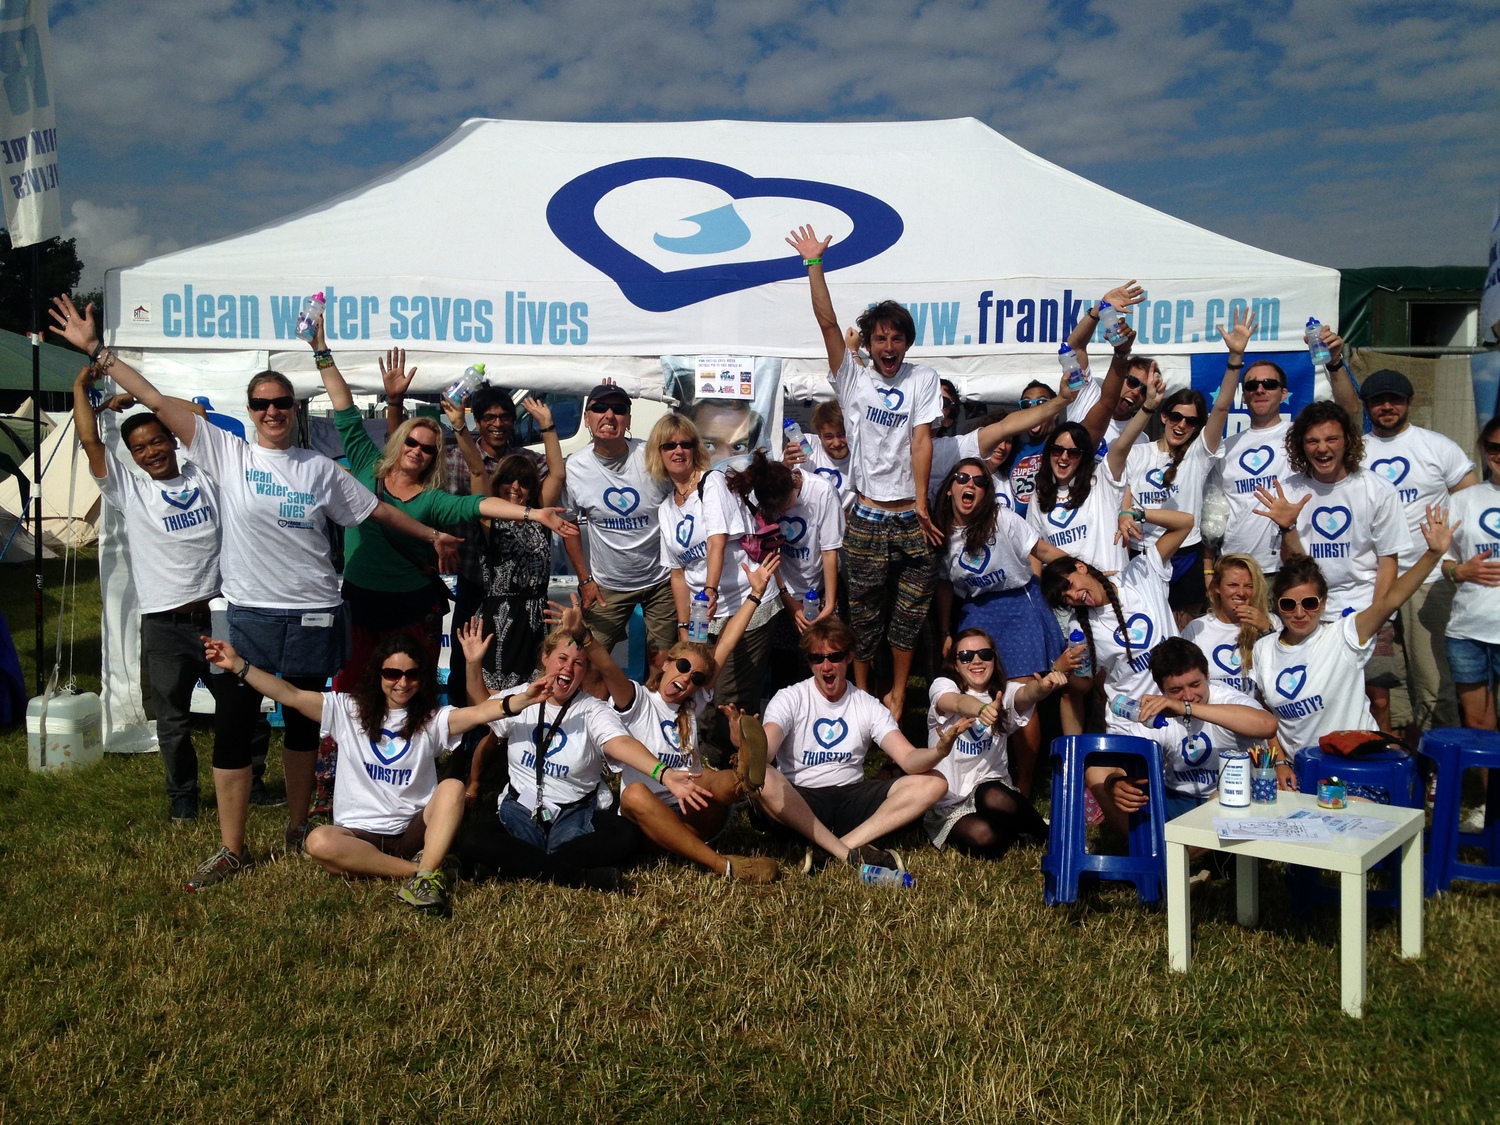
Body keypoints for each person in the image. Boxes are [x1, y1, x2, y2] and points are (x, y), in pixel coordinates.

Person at [49, 294, 462, 890]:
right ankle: (232, 846)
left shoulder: (319, 468)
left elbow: (377, 512)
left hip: (316, 613)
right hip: (248, 615)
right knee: (235, 725)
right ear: (249, 411)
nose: (272, 411)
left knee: (301, 726)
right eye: (262, 403)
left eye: (281, 403)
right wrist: (97, 351)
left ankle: (297, 825)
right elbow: (156, 400)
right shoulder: (226, 452)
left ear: (294, 411)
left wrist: (431, 534)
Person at [313, 328, 576, 686]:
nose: (417, 451)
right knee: (355, 687)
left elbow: (479, 504)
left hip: (414, 604)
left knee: (412, 688)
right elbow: (343, 406)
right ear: (400, 441)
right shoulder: (366, 465)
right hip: (362, 599)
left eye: (428, 449)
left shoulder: (432, 497)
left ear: (436, 456)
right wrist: (321, 350)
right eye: (412, 442)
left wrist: (534, 514)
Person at [202, 633, 510, 912]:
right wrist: (239, 666)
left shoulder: (434, 718)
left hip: (414, 830)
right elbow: (290, 695)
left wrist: (521, 697)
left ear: (423, 677)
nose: (402, 683)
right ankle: (423, 872)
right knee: (319, 841)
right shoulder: (346, 710)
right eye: (392, 673)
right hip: (359, 834)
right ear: (378, 674)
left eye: (412, 674)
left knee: (452, 787)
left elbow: (481, 712)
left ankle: (421, 869)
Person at [540, 557, 784, 882]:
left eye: (697, 678)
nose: (687, 679)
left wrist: (755, 595)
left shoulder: (692, 702)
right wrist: (583, 635)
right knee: (634, 794)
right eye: (683, 667)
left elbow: (726, 643)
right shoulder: (637, 700)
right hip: (649, 822)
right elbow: (608, 668)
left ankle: (746, 777)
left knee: (714, 778)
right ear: (667, 662)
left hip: (695, 812)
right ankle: (724, 865)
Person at [786, 223, 943, 721]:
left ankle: (896, 694)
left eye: (896, 338)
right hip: (868, 515)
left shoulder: (923, 378)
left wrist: (922, 504)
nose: (888, 346)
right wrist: (814, 264)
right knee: (864, 612)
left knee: (909, 613)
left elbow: (921, 440)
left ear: (907, 342)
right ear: (870, 344)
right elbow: (829, 325)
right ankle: (862, 695)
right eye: (880, 338)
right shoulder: (854, 378)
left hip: (911, 516)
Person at [72, 367, 228, 822]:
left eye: (157, 441)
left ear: (173, 441)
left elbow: (199, 415)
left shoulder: (204, 473)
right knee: (173, 720)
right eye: (139, 448)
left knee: (240, 707)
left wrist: (142, 400)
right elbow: (91, 441)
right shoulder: (131, 491)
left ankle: (250, 781)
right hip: (165, 625)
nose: (151, 452)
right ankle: (183, 796)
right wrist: (81, 389)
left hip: (219, 616)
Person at [454, 626, 711, 891]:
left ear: (584, 670)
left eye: (578, 663)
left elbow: (620, 743)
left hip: (575, 813)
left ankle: (514, 865)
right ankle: (580, 877)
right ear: (545, 657)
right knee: (472, 838)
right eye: (562, 659)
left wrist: (664, 773)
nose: (568, 668)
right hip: (522, 809)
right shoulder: (524, 696)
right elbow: (481, 709)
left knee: (625, 834)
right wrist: (473, 664)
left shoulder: (592, 709)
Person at [1329, 366, 1477, 739]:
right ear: (1366, 406)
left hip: (1427, 579)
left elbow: (1471, 502)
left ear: (1409, 401)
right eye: (1378, 401)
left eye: (1394, 399)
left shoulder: (1437, 447)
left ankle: (1441, 760)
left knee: (1432, 678)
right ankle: (1397, 754)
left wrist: (1457, 561)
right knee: (1383, 687)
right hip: (1373, 582)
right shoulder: (1357, 452)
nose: (1387, 407)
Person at [1250, 507, 1453, 769]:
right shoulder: (1263, 648)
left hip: (1353, 764)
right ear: (1277, 605)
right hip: (1299, 770)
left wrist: (1432, 555)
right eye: (1288, 604)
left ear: (1324, 603)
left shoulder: (1344, 635)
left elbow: (1391, 600)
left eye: (1309, 603)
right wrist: (1278, 763)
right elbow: (1265, 713)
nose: (1299, 613)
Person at [1254, 401, 1408, 727]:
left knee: (1378, 699)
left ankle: (1380, 756)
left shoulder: (1376, 489)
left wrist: (1377, 615)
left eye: (1331, 439)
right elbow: (1294, 567)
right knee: (1318, 698)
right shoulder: (1290, 491)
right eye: (1312, 441)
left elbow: (1388, 561)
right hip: (1311, 612)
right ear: (1301, 446)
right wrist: (1288, 527)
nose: (1322, 448)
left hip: (1365, 608)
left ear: (1347, 441)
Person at [931, 456, 1077, 791]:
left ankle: (1024, 783)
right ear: (950, 487)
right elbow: (944, 585)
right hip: (977, 608)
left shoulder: (1003, 519)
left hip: (1018, 603)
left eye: (979, 481)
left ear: (987, 491)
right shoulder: (942, 532)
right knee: (978, 689)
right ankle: (982, 771)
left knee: (1022, 695)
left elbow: (1043, 552)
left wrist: (1085, 571)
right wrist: (945, 631)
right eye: (962, 478)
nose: (970, 485)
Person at [385, 377, 545, 656]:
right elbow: (402, 452)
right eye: (490, 417)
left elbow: (557, 476)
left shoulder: (527, 460)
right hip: (471, 575)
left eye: (505, 417)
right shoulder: (450, 458)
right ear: (478, 422)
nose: (498, 424)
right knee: (464, 660)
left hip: (517, 583)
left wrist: (549, 427)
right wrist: (395, 402)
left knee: (514, 660)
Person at [1088, 637, 1277, 836]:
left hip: (1231, 795)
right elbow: (1123, 766)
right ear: (1161, 689)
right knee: (1097, 773)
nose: (1188, 696)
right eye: (1176, 690)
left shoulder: (1227, 699)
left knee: (1219, 797)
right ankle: (1147, 845)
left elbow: (1268, 726)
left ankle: (1171, 850)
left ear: (1207, 675)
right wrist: (1115, 784)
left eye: (1195, 684)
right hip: (1177, 797)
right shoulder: (1157, 714)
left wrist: (1186, 708)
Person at [1205, 308, 1339, 578]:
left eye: (1269, 384)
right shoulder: (1225, 447)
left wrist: (1335, 362)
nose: (1260, 389)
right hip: (1236, 569)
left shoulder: (1301, 436)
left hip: (1286, 567)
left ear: (1284, 393)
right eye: (1252, 386)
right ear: (1243, 396)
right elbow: (1212, 514)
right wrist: (1208, 570)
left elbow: (1348, 413)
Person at [1040, 504, 1195, 733]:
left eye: (1069, 585)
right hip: (1132, 721)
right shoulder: (1078, 627)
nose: (1073, 596)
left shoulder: (1140, 573)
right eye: (1066, 598)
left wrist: (1135, 514)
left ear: (1081, 567)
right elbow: (1085, 685)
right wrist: (1061, 671)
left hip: (1178, 710)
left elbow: (1186, 522)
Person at [925, 628, 1065, 857]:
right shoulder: (943, 686)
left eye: (985, 654)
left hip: (992, 791)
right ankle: (1021, 826)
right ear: (955, 664)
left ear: (994, 658)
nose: (976, 661)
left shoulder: (1004, 692)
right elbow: (956, 702)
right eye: (966, 656)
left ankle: (1052, 837)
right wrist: (981, 709)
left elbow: (1025, 695)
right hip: (950, 802)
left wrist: (1042, 688)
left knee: (990, 794)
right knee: (985, 839)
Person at [562, 383, 676, 666]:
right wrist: (585, 580)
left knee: (661, 665)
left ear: (629, 420)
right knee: (587, 662)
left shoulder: (652, 456)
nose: (609, 415)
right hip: (607, 585)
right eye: (600, 408)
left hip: (661, 582)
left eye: (619, 409)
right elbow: (568, 525)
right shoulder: (575, 467)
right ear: (586, 418)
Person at [475, 398, 569, 691]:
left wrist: (547, 425)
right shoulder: (489, 517)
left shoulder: (541, 515)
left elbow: (558, 473)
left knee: (535, 692)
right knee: (495, 696)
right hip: (499, 617)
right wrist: (460, 429)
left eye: (525, 481)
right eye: (509, 479)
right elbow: (477, 473)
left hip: (536, 617)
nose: (515, 487)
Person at [1124, 388, 1213, 624]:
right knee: (1145, 626)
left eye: (1191, 421)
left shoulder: (1199, 454)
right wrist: (1125, 515)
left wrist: (1234, 366)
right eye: (1176, 417)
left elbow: (1222, 408)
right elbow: (1126, 495)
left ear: (1197, 427)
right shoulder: (1137, 452)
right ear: (1164, 416)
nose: (1182, 425)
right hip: (1141, 552)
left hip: (1184, 555)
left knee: (1181, 634)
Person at [1439, 418, 1500, 740]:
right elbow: (1443, 560)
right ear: (1484, 450)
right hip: (1469, 630)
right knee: (1478, 725)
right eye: (1494, 447)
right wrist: (1458, 571)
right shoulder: (1464, 499)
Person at [1180, 554, 1274, 697]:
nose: (1241, 593)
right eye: (1233, 585)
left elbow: (1281, 670)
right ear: (1217, 587)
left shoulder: (1270, 622)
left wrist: (1267, 630)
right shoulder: (1197, 629)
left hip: (1256, 709)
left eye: (1248, 586)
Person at [783, 399, 854, 511]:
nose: (836, 443)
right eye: (828, 437)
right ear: (819, 434)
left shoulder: (859, 459)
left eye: (842, 435)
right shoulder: (805, 444)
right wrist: (785, 465)